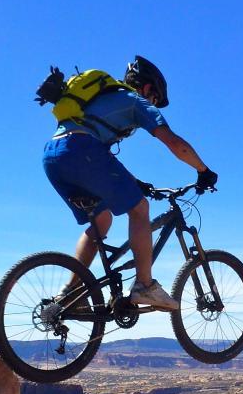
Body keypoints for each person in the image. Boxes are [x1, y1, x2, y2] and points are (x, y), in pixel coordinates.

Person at [42, 55, 218, 311]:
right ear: (147, 88)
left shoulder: (103, 100)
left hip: (54, 156)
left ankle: (70, 292)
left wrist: (136, 183)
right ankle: (144, 285)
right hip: (82, 149)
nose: (154, 102)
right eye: (155, 97)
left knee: (101, 220)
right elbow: (173, 142)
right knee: (140, 209)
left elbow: (99, 158)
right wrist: (203, 170)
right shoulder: (135, 101)